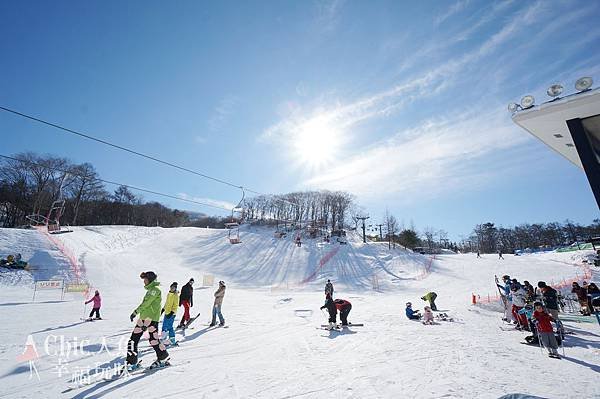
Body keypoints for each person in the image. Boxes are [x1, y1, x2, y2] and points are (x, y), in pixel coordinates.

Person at [127, 271, 169, 370]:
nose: (144, 281)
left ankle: (161, 358)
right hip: (144, 319)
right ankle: (132, 362)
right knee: (136, 340)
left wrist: (135, 312)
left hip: (150, 319)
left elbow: (146, 303)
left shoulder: (154, 290)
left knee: (141, 340)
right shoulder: (151, 290)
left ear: (150, 279)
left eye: (145, 279)